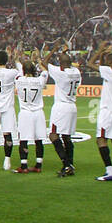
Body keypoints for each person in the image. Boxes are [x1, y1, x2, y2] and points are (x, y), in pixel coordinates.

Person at [88, 41, 112, 182]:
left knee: (101, 139)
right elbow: (103, 68)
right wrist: (105, 55)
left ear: (110, 64)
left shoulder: (109, 72)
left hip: (108, 110)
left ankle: (109, 171)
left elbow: (90, 63)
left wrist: (99, 50)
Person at [45, 42, 81, 176]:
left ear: (60, 63)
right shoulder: (76, 72)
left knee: (53, 135)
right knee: (67, 137)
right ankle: (70, 164)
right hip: (72, 107)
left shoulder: (60, 74)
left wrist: (54, 49)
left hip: (61, 107)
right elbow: (67, 63)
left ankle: (66, 164)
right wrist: (65, 53)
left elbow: (44, 62)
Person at [14, 54, 49, 173]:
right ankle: (38, 165)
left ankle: (24, 166)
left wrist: (16, 58)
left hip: (25, 113)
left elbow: (19, 68)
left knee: (23, 139)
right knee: (39, 139)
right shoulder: (39, 80)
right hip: (38, 112)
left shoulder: (19, 80)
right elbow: (45, 71)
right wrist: (39, 60)